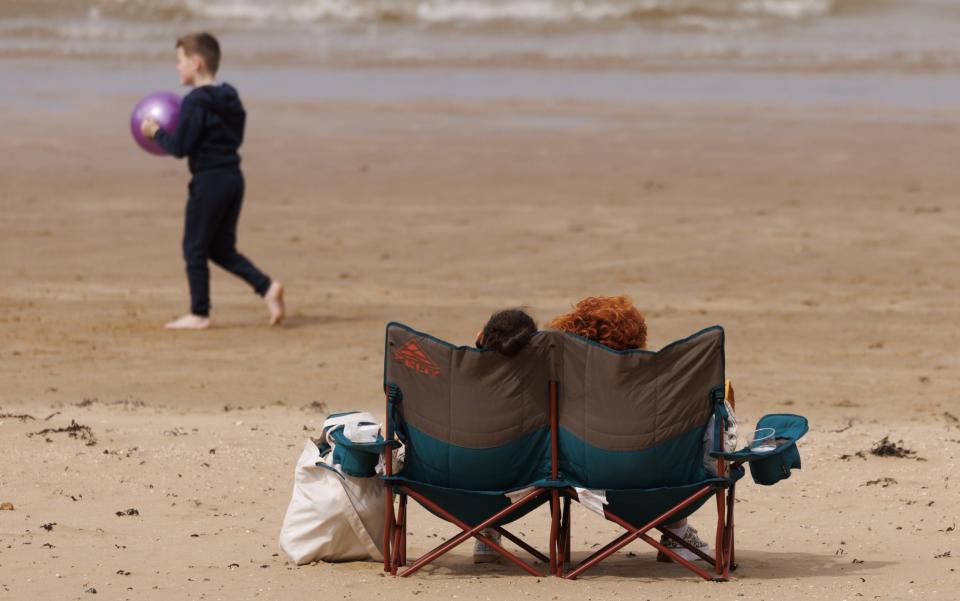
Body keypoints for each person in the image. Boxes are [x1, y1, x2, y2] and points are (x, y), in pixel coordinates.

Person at [548, 295, 710, 563]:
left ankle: (490, 532)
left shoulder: (566, 389)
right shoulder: (671, 386)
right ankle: (678, 533)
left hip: (588, 481)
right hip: (668, 489)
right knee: (686, 445)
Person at [140, 32, 284, 330]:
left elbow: (181, 147)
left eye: (179, 61)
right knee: (220, 248)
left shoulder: (195, 102)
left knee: (193, 247)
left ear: (197, 62)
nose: (177, 68)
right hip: (233, 179)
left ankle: (199, 313)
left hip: (209, 182)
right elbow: (236, 137)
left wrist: (156, 133)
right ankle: (268, 288)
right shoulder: (231, 98)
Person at [471, 308, 538, 563]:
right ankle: (674, 532)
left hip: (450, 482)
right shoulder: (541, 390)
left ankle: (487, 530)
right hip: (523, 480)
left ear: (480, 337)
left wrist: (477, 351)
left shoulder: (455, 381)